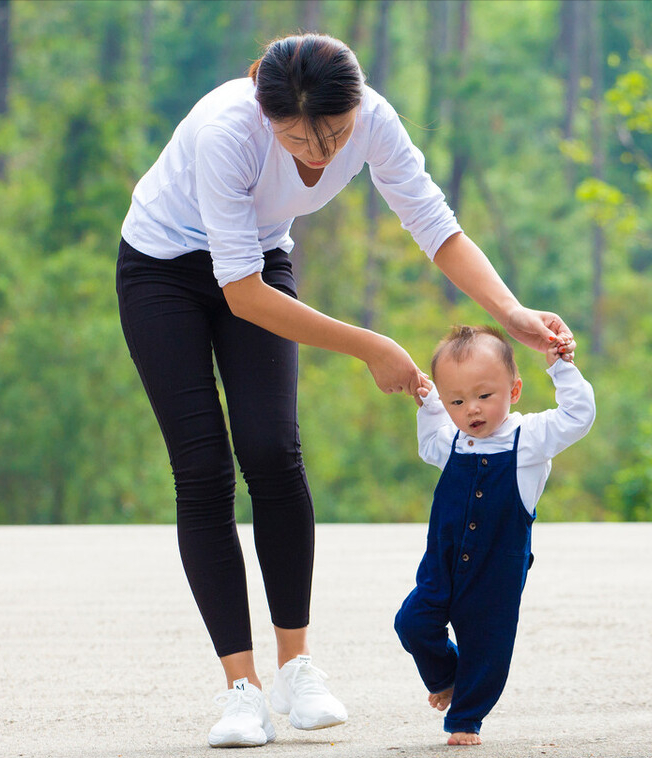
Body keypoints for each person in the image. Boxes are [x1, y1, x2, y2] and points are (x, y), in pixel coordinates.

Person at [115, 33, 575, 749]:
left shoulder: (376, 122)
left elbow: (434, 225)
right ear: (264, 108)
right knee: (203, 469)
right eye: (296, 136)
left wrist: (510, 314)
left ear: (356, 107)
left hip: (259, 259)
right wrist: (372, 346)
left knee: (272, 451)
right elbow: (239, 294)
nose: (317, 154)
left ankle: (298, 667)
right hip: (162, 271)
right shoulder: (226, 132)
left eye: (332, 134)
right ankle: (242, 689)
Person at [394, 325, 595, 745]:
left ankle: (466, 718)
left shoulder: (531, 439)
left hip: (496, 569)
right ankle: (447, 675)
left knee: (487, 646)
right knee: (412, 621)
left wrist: (562, 370)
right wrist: (429, 404)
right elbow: (430, 441)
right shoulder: (451, 441)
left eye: (485, 396)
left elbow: (578, 417)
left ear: (515, 390)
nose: (472, 410)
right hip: (442, 564)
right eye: (457, 401)